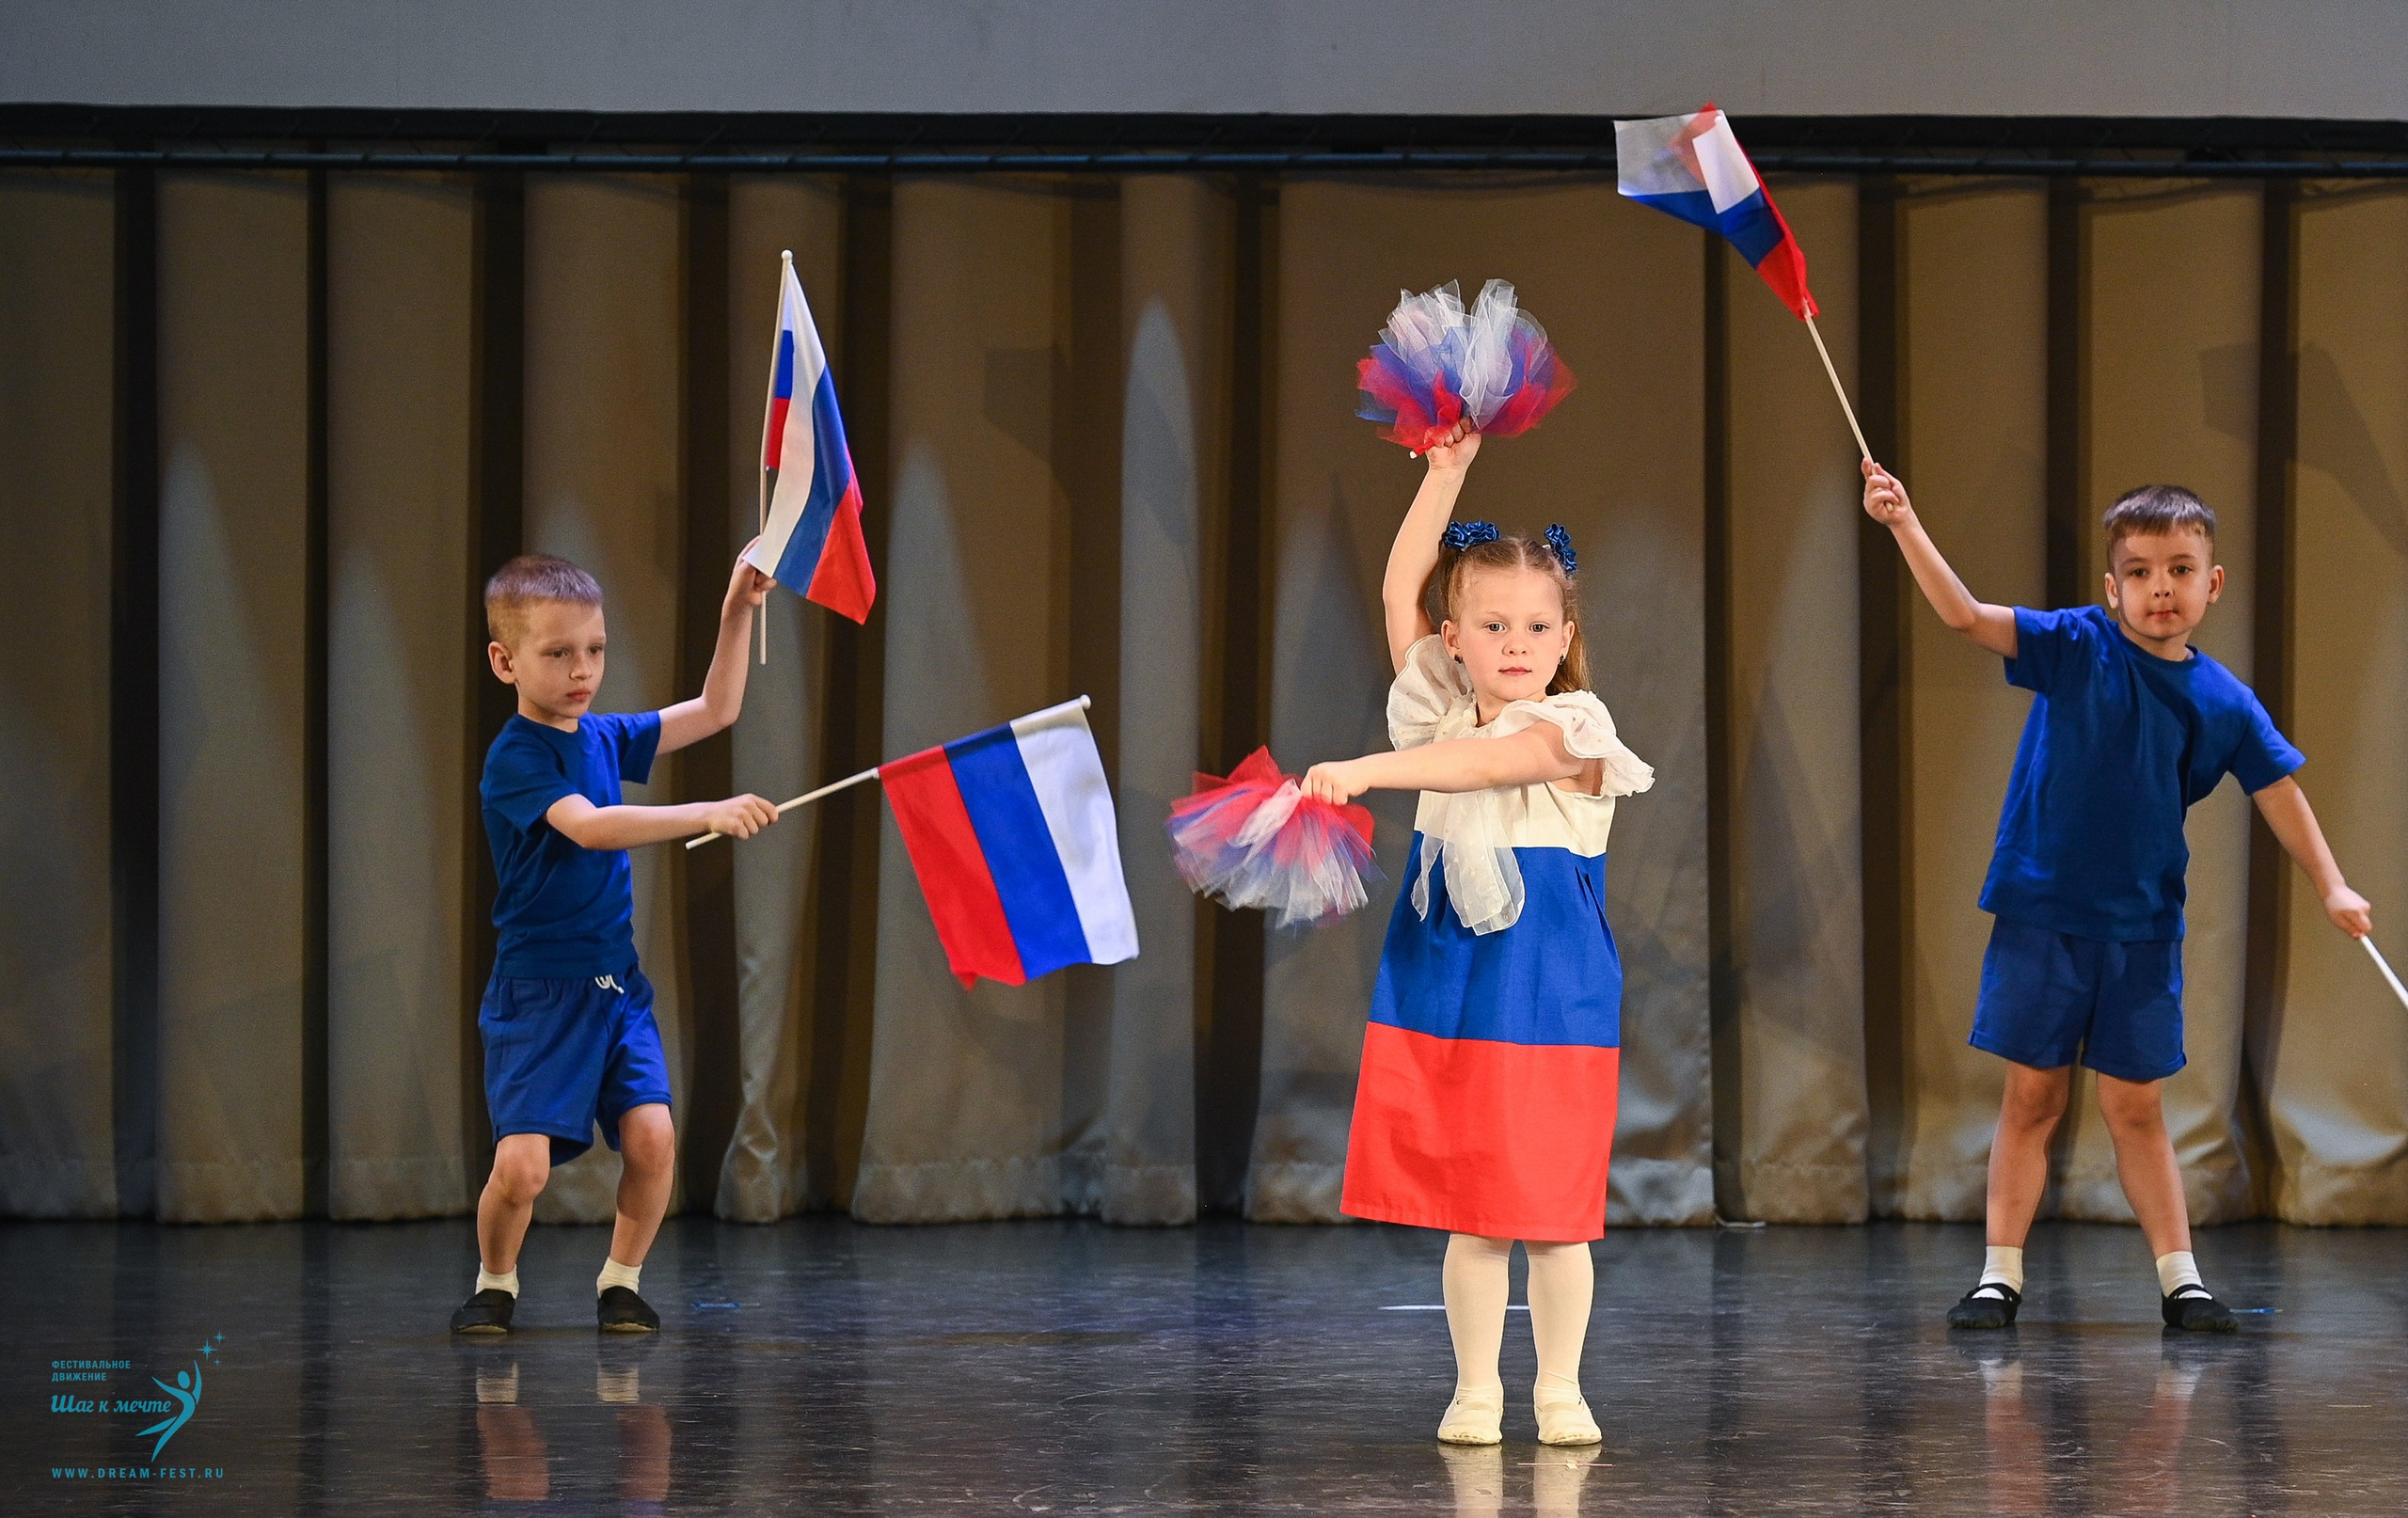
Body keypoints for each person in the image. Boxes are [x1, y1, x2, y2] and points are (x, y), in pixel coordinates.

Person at [1861, 463, 2371, 1332]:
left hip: (2140, 933)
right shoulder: (2075, 645)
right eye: (2138, 572)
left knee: (2136, 1108)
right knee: (2033, 1099)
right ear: (2112, 588)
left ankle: (2182, 1281)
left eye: (2177, 570)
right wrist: (1905, 522)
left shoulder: (2224, 701)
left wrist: (2332, 883)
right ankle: (1999, 1276)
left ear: (2211, 583)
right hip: (2042, 916)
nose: (2158, 588)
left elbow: (2280, 791)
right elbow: (1964, 615)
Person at [1303, 422, 1654, 1447]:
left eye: (1534, 628)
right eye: (1489, 625)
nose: (1512, 644)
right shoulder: (1434, 712)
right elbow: (1399, 589)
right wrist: (1445, 474)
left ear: (1563, 634)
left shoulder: (1578, 730)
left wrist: (1366, 774)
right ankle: (1473, 1388)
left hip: (1548, 990)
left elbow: (1496, 768)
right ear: (1453, 640)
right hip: (1452, 978)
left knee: (1551, 1210)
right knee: (1474, 1208)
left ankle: (1558, 1388)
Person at [450, 550, 783, 1336]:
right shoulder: (516, 758)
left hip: (614, 989)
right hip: (538, 995)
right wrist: (705, 812)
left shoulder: (603, 736)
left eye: (595, 650)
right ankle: (496, 1283)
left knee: (653, 1135)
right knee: (523, 1168)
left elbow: (714, 709)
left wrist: (738, 605)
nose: (582, 670)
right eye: (558, 652)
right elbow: (592, 829)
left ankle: (621, 1283)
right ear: (505, 661)